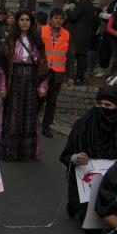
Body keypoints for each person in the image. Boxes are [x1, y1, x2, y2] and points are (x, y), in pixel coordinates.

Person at [60, 86, 117, 224]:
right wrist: (77, 158)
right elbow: (67, 155)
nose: (102, 108)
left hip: (109, 181)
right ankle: (76, 205)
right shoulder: (83, 125)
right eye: (99, 104)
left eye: (107, 105)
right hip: (85, 181)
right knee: (90, 227)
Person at [0, 10, 48, 162]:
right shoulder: (10, 41)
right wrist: (3, 86)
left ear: (31, 22)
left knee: (29, 115)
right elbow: (2, 66)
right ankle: (11, 151)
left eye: (27, 20)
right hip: (14, 80)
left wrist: (43, 85)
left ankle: (26, 152)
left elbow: (43, 65)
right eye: (22, 19)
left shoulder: (37, 41)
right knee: (13, 114)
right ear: (17, 22)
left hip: (31, 81)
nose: (24, 22)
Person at [39, 8, 74, 138]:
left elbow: (70, 56)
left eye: (61, 18)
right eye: (56, 18)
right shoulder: (42, 31)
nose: (58, 21)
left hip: (58, 72)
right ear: (51, 19)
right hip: (42, 71)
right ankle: (33, 122)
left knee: (52, 101)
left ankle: (46, 126)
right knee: (39, 99)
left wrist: (71, 76)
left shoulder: (66, 34)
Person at [67, 0, 95, 85]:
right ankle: (81, 77)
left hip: (78, 34)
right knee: (82, 55)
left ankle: (77, 77)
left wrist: (67, 10)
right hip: (86, 33)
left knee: (77, 55)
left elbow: (73, 17)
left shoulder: (81, 4)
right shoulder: (91, 5)